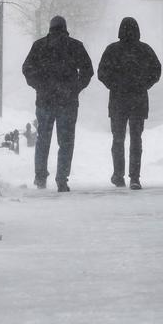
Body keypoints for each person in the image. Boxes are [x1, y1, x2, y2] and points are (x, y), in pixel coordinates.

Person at [22, 16, 94, 192]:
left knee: (43, 140)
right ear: (65, 28)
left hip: (45, 102)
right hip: (67, 102)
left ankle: (40, 177)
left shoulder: (39, 46)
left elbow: (27, 69)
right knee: (66, 142)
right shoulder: (75, 46)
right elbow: (88, 70)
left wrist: (39, 85)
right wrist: (76, 87)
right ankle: (62, 179)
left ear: (50, 28)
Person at [97, 17, 162, 190]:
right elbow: (156, 71)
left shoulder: (112, 50)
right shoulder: (145, 50)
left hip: (118, 101)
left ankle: (118, 175)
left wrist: (115, 85)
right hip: (138, 101)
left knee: (118, 139)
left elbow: (101, 73)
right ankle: (135, 177)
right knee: (136, 139)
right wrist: (143, 85)